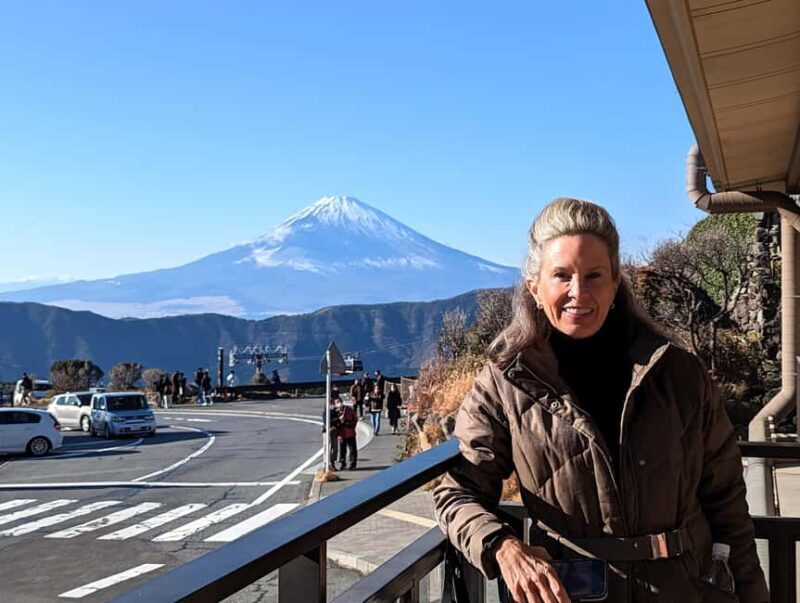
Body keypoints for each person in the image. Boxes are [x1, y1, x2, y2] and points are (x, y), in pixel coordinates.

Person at [433, 198, 768, 602]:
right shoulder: (506, 383)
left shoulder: (680, 374)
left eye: (594, 276)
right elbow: (458, 492)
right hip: (571, 594)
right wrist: (503, 548)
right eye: (561, 275)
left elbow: (727, 501)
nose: (578, 292)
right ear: (534, 287)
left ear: (615, 283)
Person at [335, 397, 358, 470]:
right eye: (336, 402)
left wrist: (351, 425)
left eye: (339, 401)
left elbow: (355, 419)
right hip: (341, 433)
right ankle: (343, 463)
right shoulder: (335, 412)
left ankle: (352, 463)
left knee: (352, 449)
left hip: (350, 432)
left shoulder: (348, 409)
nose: (338, 404)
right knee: (342, 449)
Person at [323, 397, 341, 469]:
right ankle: (328, 464)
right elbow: (327, 422)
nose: (333, 405)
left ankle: (333, 462)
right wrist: (337, 419)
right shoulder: (326, 412)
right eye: (331, 403)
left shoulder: (335, 412)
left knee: (335, 448)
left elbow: (338, 422)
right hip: (328, 431)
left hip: (335, 431)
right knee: (328, 447)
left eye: (333, 403)